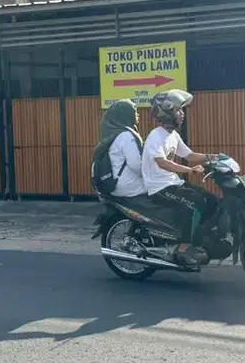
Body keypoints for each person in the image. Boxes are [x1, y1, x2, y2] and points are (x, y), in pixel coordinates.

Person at [142, 89, 218, 265]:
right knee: (195, 205)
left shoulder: (173, 135)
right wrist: (189, 171)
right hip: (159, 187)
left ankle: (199, 239)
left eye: (182, 110)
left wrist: (213, 157)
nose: (182, 114)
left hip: (173, 183)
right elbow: (162, 163)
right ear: (166, 113)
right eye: (178, 110)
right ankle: (183, 249)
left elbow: (189, 155)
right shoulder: (156, 136)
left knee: (212, 200)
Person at [91, 99, 145, 198]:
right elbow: (136, 165)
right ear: (126, 115)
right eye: (134, 112)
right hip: (128, 186)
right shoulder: (126, 135)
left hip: (112, 184)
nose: (137, 115)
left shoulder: (112, 133)